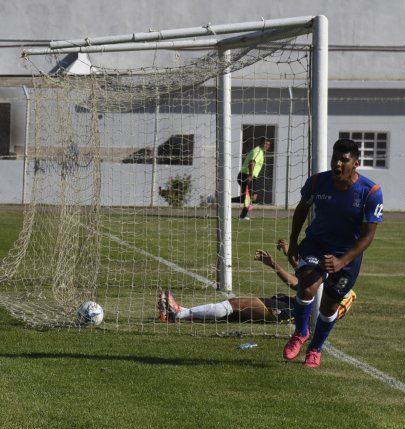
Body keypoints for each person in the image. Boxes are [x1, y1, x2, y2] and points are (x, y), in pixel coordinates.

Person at [283, 138, 383, 368]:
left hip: (348, 254)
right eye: (335, 158)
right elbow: (302, 209)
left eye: (344, 160)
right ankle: (301, 332)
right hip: (316, 244)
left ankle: (315, 349)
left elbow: (368, 236)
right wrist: (293, 241)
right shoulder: (317, 182)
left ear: (355, 163)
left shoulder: (372, 192)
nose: (338, 163)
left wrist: (342, 261)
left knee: (329, 306)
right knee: (307, 285)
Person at [158, 240, 357, 324]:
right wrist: (287, 256)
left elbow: (300, 285)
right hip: (289, 304)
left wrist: (275, 265)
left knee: (237, 305)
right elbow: (304, 278)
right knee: (234, 308)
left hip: (291, 313)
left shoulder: (347, 294)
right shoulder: (330, 271)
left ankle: (179, 313)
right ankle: (178, 313)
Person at [232, 137, 271, 220]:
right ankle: (242, 216)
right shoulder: (258, 151)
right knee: (250, 198)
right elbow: (252, 162)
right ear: (261, 143)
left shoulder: (260, 151)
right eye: (265, 144)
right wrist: (250, 175)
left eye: (268, 145)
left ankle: (241, 213)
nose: (267, 146)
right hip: (246, 176)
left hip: (250, 176)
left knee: (252, 197)